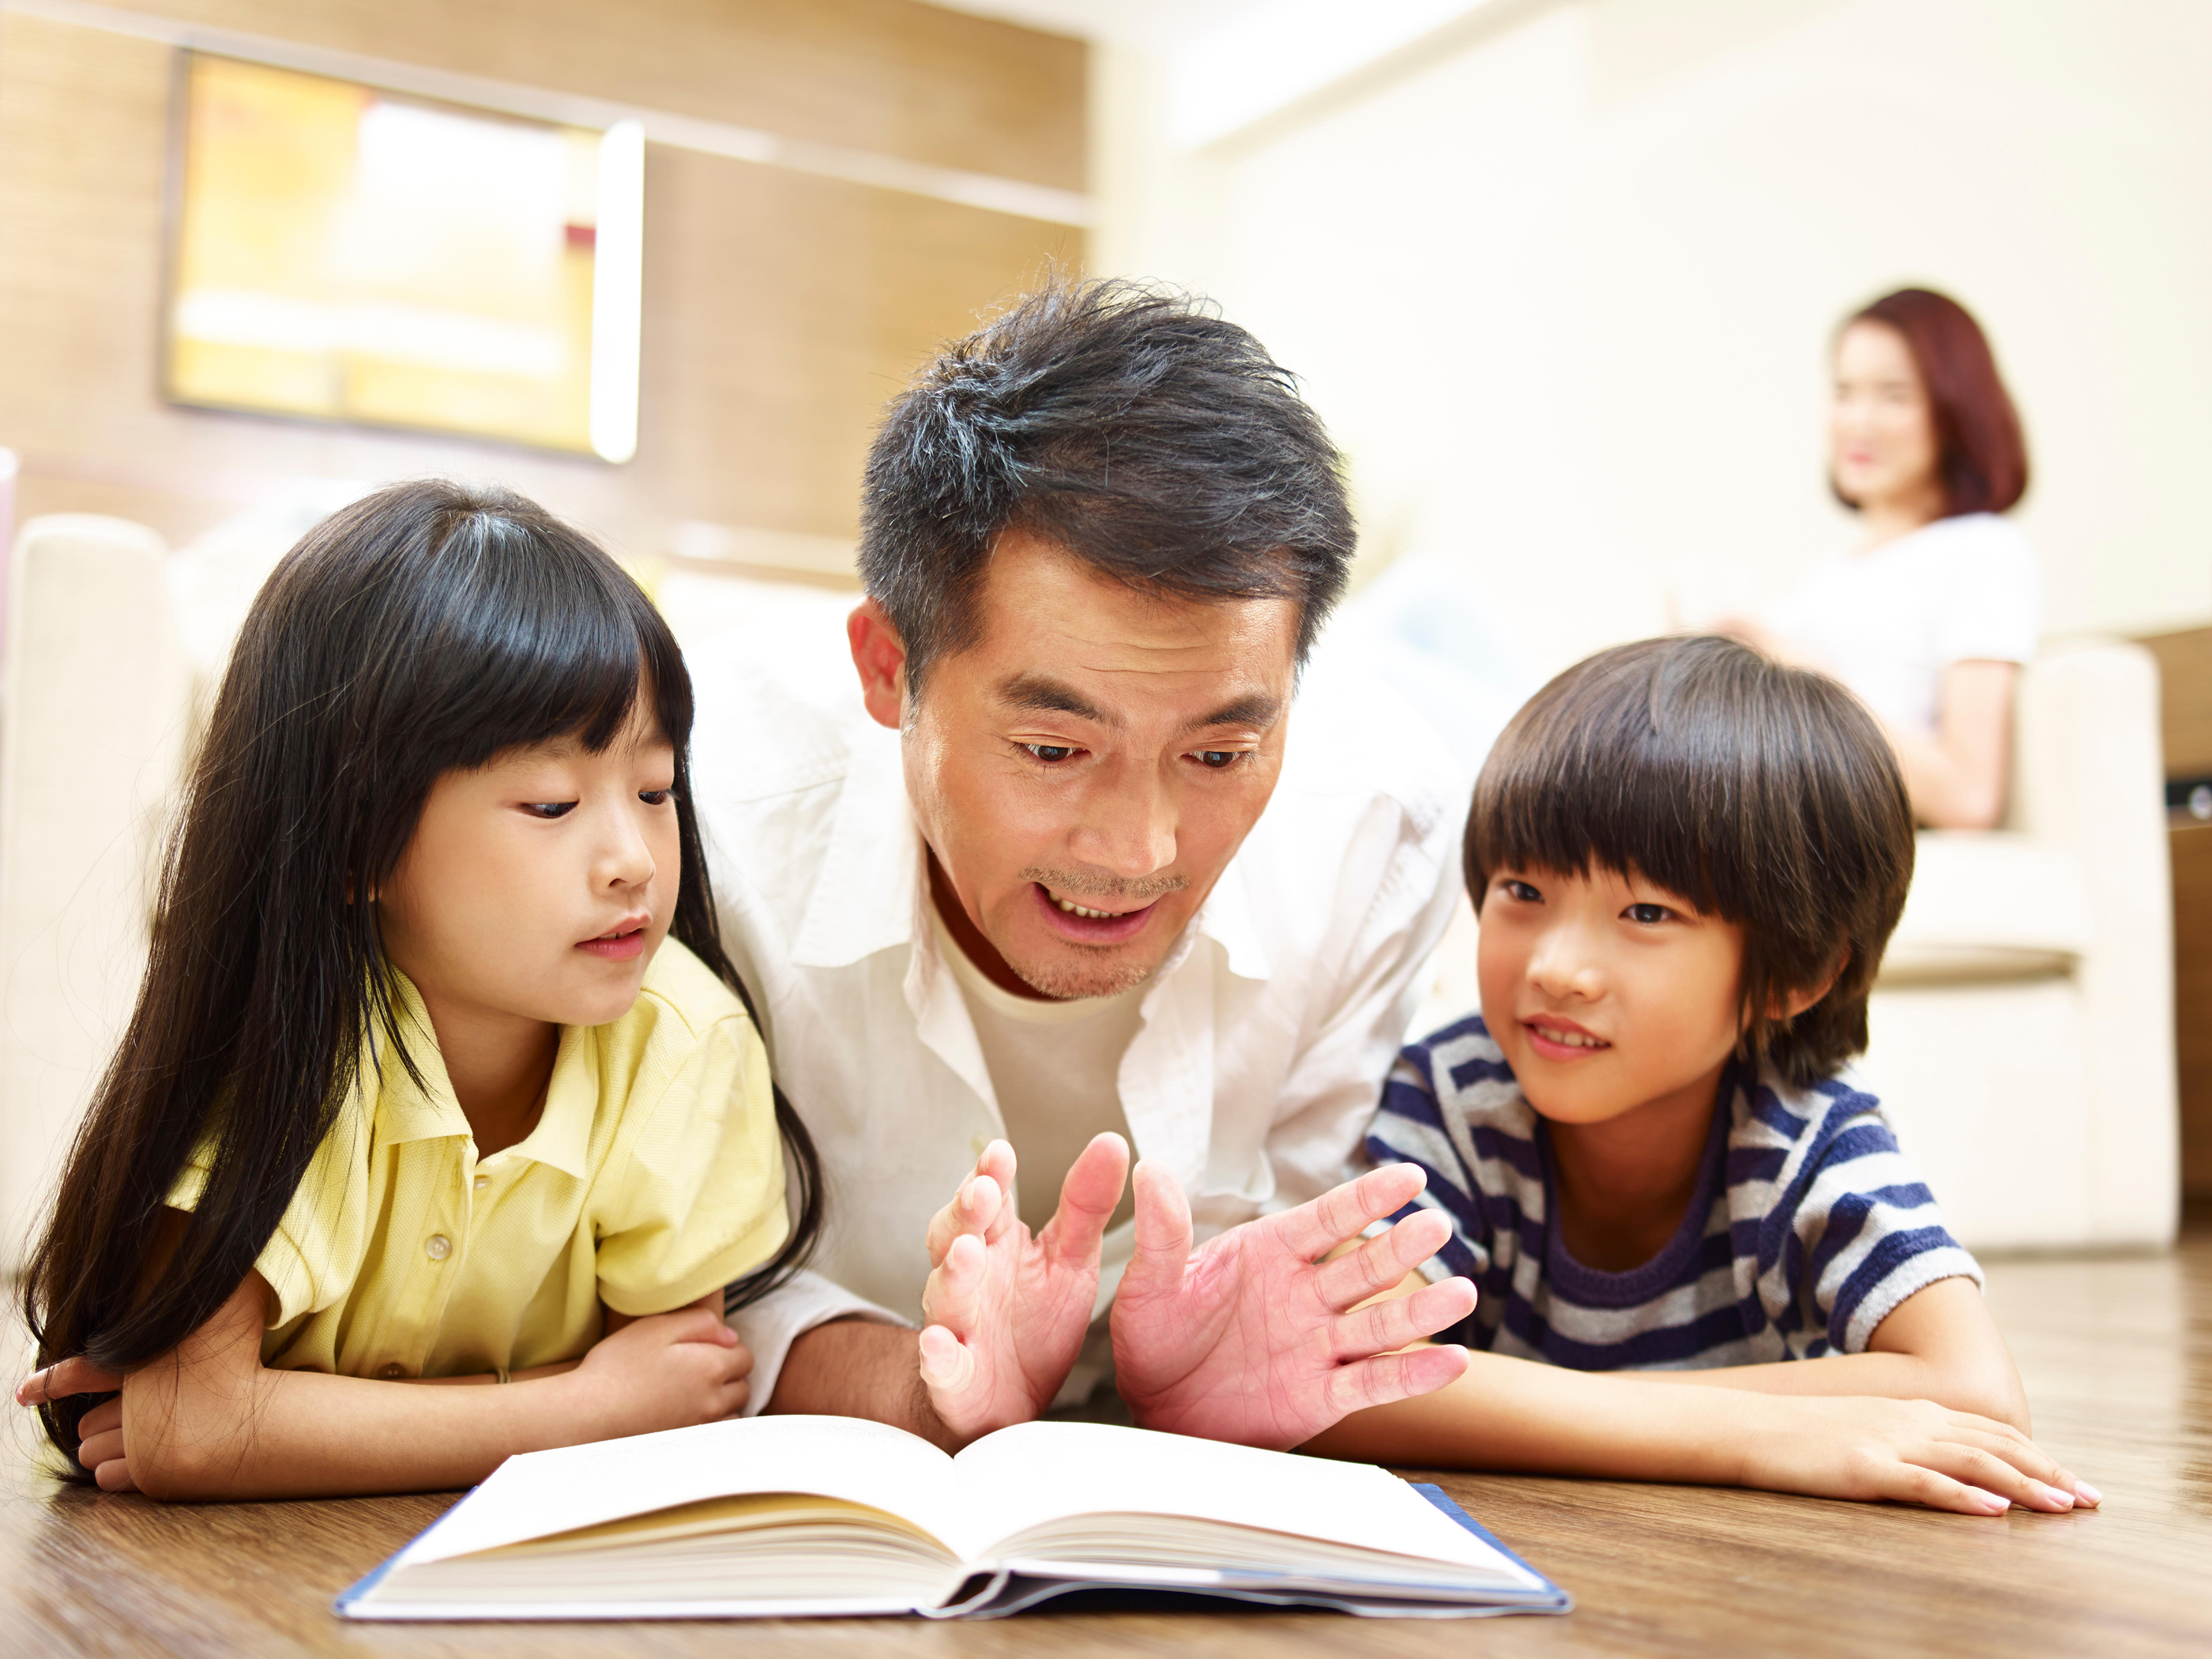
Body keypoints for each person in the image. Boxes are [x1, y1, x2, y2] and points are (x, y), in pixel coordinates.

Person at [690, 279, 1477, 1448]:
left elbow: (1284, 1244)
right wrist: (921, 1390)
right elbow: (676, 1281)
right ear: (886, 667)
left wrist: (1225, 1360)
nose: (1139, 851)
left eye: (1218, 751)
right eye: (1054, 748)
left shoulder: (1377, 823)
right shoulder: (704, 810)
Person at [13, 481, 821, 1499]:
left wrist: (263, 1429)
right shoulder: (293, 1040)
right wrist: (576, 1411)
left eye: (656, 791)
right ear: (358, 844)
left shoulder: (685, 1039)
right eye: (551, 802)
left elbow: (678, 1393)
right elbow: (195, 1428)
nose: (633, 861)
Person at [1315, 635, 2101, 1517]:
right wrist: (1752, 1435)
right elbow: (1335, 1373)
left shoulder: (1806, 1136)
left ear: (1799, 972)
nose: (1557, 967)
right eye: (1522, 892)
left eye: (1645, 912)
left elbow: (1978, 1394)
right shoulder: (1456, 1096)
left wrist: (1520, 1407)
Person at [1725, 288, 2037, 830]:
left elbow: (1967, 795)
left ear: (1955, 410)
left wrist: (1794, 670)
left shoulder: (1982, 551)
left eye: (1894, 395)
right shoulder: (1831, 574)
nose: (1857, 421)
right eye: (1844, 392)